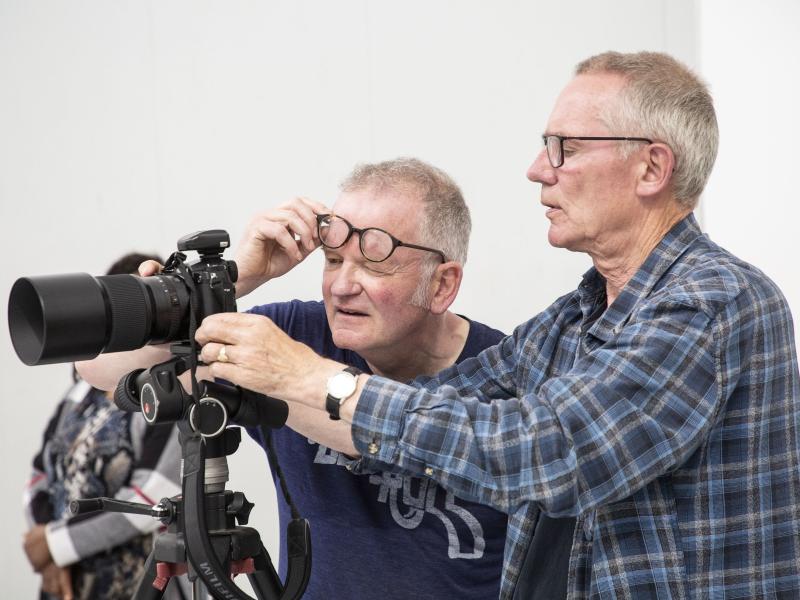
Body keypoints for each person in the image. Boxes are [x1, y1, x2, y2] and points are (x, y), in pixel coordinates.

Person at [193, 51, 800, 599]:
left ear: (651, 168)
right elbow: (438, 401)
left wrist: (314, 381)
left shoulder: (713, 301)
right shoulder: (575, 318)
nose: (539, 169)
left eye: (565, 147)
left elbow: (545, 450)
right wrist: (236, 283)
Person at [78, 158, 512, 599]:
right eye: (333, 260)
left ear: (441, 286)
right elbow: (97, 366)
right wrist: (236, 278)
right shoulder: (294, 336)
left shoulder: (510, 376)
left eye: (373, 266)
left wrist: (296, 375)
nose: (341, 286)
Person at [24, 253, 185, 600]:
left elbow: (154, 496)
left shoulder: (169, 392)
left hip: (141, 583)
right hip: (69, 584)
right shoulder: (80, 391)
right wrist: (49, 549)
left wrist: (56, 544)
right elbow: (41, 473)